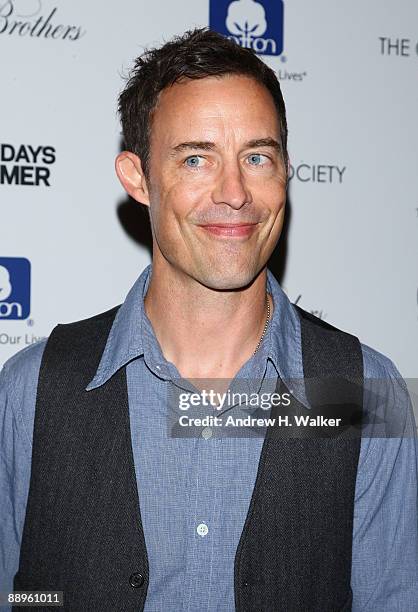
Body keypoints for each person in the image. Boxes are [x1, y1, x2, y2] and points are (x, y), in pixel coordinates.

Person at [1, 27, 417, 612]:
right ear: (137, 178)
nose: (235, 193)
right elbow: (22, 596)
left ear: (285, 173)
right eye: (196, 158)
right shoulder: (31, 390)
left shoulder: (362, 393)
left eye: (257, 157)